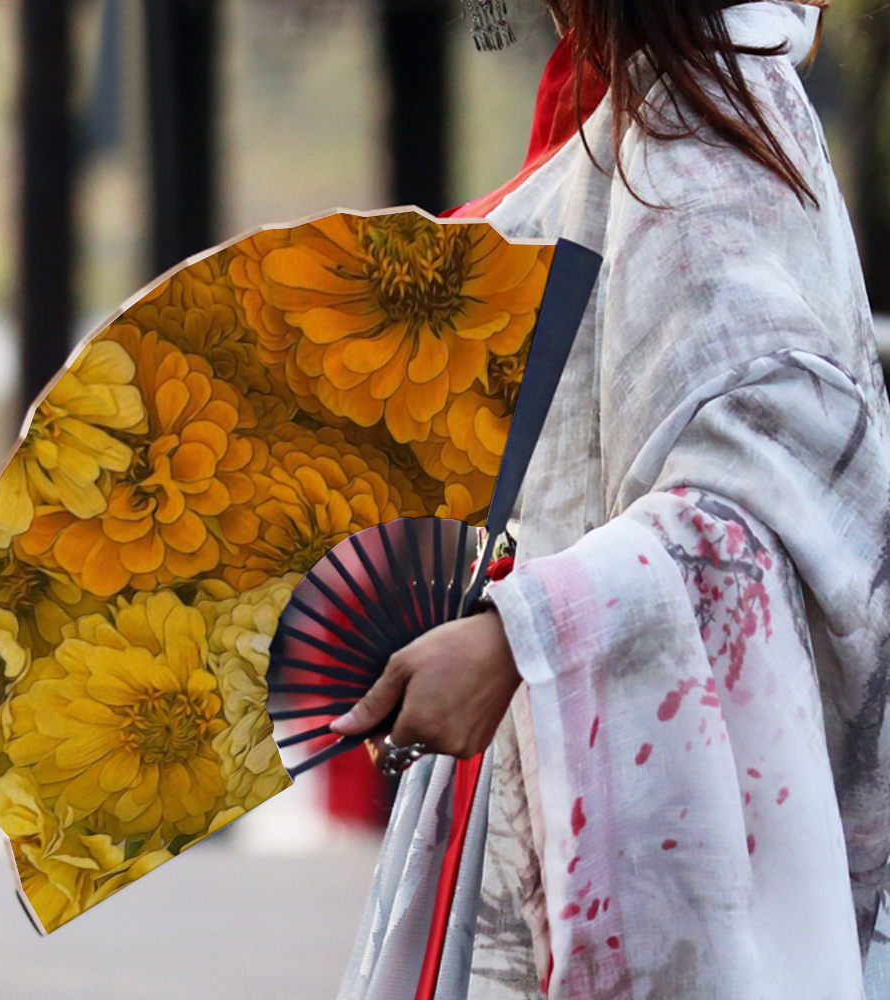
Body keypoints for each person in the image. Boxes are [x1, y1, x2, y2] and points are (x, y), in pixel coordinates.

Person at [329, 1, 890, 997]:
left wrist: (515, 635)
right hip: (561, 738)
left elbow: (759, 498)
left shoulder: (702, 138)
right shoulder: (668, 114)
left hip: (629, 762)